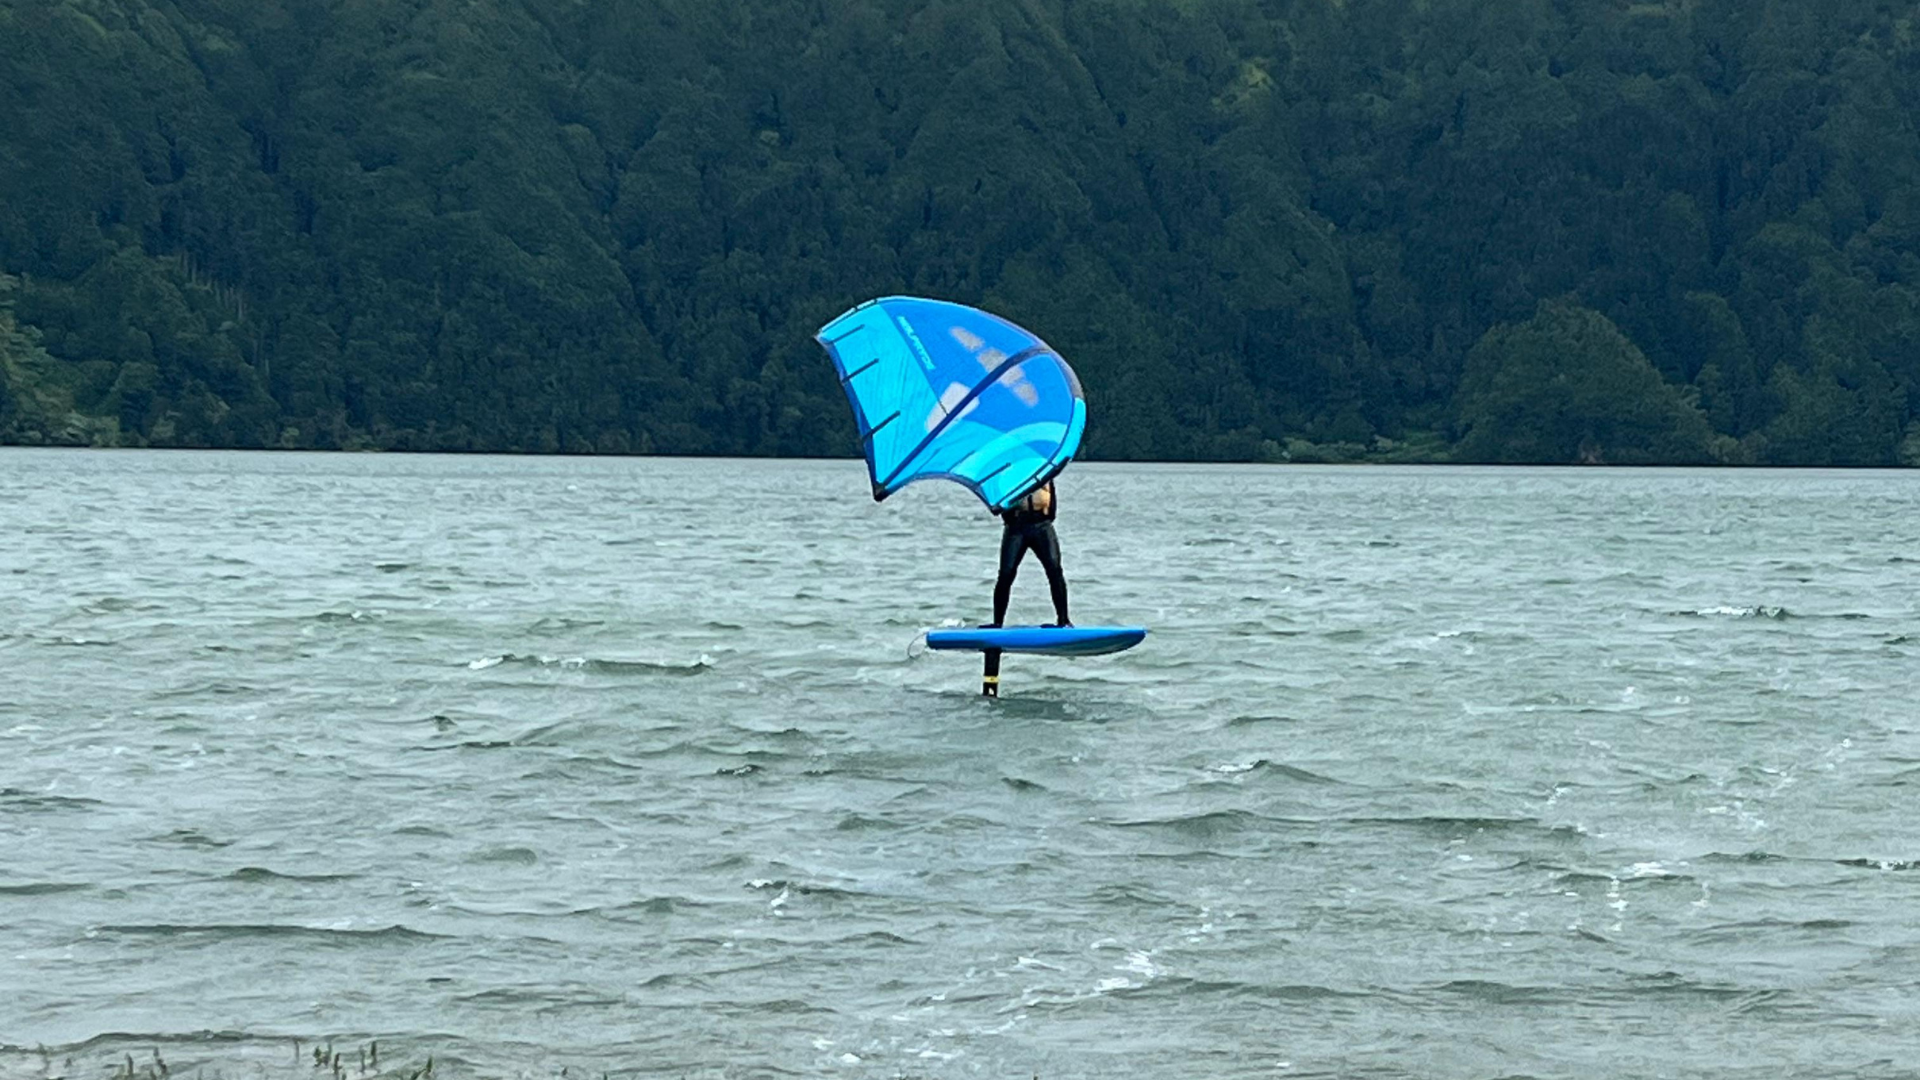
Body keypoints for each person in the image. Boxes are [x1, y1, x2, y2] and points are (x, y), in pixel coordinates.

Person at [989, 478, 1070, 628]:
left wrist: (1048, 516)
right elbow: (996, 503)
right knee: (1006, 573)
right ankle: (997, 623)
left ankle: (1063, 620)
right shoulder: (1008, 474)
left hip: (1042, 525)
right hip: (1016, 526)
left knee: (1055, 570)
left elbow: (1052, 503)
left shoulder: (1044, 471)